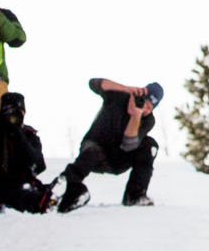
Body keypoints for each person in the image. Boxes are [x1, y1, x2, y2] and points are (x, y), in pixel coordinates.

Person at [56, 78, 163, 211]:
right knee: (92, 152)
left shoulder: (148, 120)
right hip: (94, 148)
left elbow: (129, 145)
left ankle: (135, 196)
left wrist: (135, 115)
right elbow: (93, 83)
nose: (145, 109)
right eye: (144, 102)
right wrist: (127, 89)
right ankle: (67, 190)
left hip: (118, 159)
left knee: (150, 146)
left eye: (150, 107)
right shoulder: (118, 97)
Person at [0, 92, 54, 213]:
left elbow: (38, 166)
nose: (13, 117)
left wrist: (18, 136)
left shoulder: (28, 135)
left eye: (18, 113)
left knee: (37, 194)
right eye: (9, 113)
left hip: (19, 186)